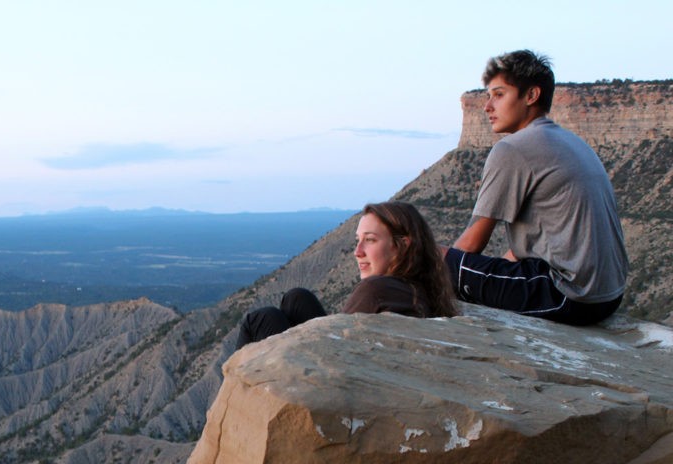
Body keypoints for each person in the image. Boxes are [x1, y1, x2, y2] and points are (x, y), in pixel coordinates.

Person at [444, 49, 629, 326]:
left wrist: (446, 274)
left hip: (567, 296)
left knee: (434, 256)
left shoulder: (511, 149)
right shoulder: (571, 142)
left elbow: (471, 244)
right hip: (608, 297)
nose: (487, 107)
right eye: (487, 96)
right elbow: (524, 250)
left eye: (499, 94)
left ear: (531, 96)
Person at [236, 201, 456, 348]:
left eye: (370, 240)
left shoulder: (377, 290)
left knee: (261, 319)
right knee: (297, 297)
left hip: (334, 388)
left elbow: (339, 351)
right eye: (357, 241)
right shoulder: (420, 286)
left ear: (402, 246)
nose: (357, 252)